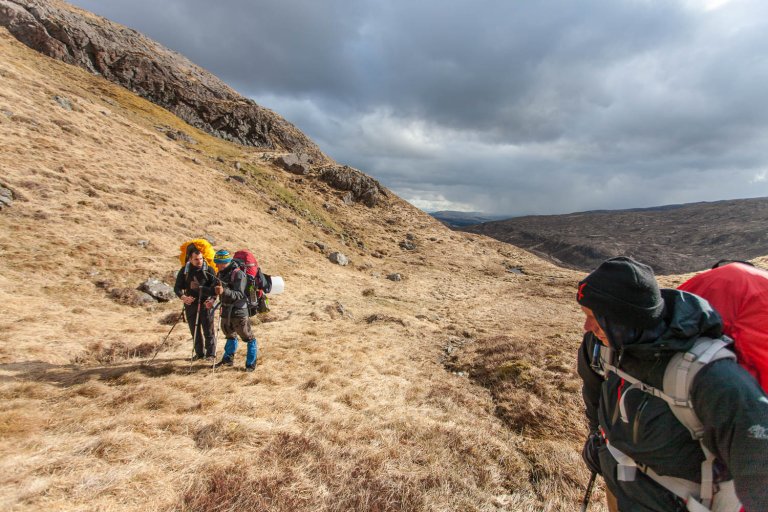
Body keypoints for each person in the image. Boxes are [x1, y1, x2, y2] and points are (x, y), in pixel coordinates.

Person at [576, 256, 768, 511]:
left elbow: (760, 479)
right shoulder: (614, 348)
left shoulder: (716, 381)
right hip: (626, 495)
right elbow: (613, 408)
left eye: (593, 317)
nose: (586, 327)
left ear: (621, 318)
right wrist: (602, 447)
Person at [213, 249, 259, 372]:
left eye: (218, 263)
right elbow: (216, 289)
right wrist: (212, 299)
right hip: (226, 310)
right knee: (230, 335)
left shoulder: (239, 274)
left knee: (248, 337)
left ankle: (250, 364)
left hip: (239, 311)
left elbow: (240, 294)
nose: (216, 265)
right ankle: (227, 360)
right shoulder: (220, 273)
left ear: (226, 262)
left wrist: (224, 291)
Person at [173, 243, 217, 360]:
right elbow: (177, 288)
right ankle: (199, 354)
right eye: (196, 259)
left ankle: (211, 354)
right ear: (190, 259)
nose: (199, 261)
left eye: (201, 258)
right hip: (190, 304)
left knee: (208, 330)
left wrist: (212, 300)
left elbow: (216, 288)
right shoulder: (185, 271)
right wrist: (184, 298)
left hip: (205, 304)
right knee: (194, 330)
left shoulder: (209, 269)